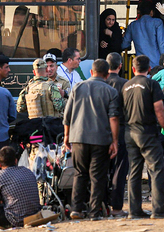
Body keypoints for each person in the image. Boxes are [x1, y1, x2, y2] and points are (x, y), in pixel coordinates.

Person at [63, 59, 120, 220]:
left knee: (80, 173)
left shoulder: (78, 88)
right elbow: (114, 118)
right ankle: (95, 212)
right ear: (107, 74)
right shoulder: (111, 91)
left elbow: (67, 116)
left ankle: (76, 209)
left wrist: (67, 136)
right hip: (100, 139)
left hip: (78, 138)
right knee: (98, 176)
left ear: (91, 72)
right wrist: (115, 141)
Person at [122, 55, 164, 219]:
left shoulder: (126, 86)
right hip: (147, 132)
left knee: (134, 172)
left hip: (130, 133)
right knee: (157, 169)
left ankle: (134, 210)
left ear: (133, 69)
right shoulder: (152, 84)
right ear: (150, 69)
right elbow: (159, 110)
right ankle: (158, 209)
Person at [0, 146, 40, 230]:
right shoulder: (27, 171)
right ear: (16, 161)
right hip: (35, 215)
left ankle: (1, 226)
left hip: (15, 219)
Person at [106, 52, 129, 217]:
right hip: (121, 130)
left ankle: (102, 205)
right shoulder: (126, 85)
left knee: (102, 169)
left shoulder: (101, 83)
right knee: (120, 170)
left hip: (101, 131)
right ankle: (116, 207)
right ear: (120, 66)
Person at [121, 0, 164, 68]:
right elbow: (162, 45)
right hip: (156, 65)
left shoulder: (133, 25)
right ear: (151, 12)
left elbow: (124, 45)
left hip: (140, 65)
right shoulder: (157, 23)